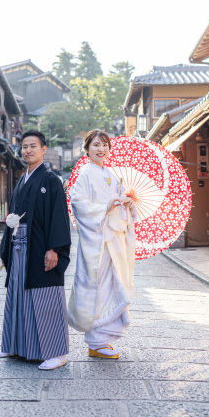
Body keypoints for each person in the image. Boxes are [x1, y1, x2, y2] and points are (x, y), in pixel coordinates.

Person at [0, 130, 72, 370]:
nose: (27, 150)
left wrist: (54, 249)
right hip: (19, 248)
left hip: (40, 247)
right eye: (24, 146)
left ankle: (57, 352)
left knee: (45, 298)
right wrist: (7, 247)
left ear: (43, 149)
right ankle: (17, 346)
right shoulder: (21, 180)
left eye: (33, 146)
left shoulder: (51, 180)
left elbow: (59, 216)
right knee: (19, 296)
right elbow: (14, 215)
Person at [67, 129, 137, 359]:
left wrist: (126, 204)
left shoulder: (112, 174)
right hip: (97, 241)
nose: (101, 149)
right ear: (87, 149)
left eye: (105, 145)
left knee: (113, 285)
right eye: (96, 145)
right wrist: (105, 208)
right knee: (99, 287)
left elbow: (117, 205)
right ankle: (96, 341)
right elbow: (78, 203)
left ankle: (104, 338)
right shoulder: (85, 174)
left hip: (113, 239)